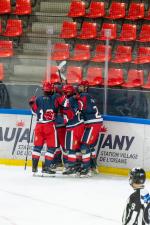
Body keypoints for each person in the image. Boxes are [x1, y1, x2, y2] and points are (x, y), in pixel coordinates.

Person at [28, 81, 59, 175]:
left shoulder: (37, 99)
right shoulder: (54, 98)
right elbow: (58, 108)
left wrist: (31, 104)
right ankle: (46, 167)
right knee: (51, 148)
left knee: (37, 147)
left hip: (39, 125)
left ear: (43, 90)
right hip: (49, 126)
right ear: (51, 90)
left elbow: (33, 112)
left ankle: (34, 168)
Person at [77, 80, 104, 175]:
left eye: (81, 86)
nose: (79, 88)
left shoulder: (84, 96)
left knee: (85, 145)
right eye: (79, 86)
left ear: (85, 88)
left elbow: (80, 107)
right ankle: (93, 166)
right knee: (90, 146)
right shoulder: (89, 96)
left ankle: (86, 168)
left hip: (93, 123)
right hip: (94, 122)